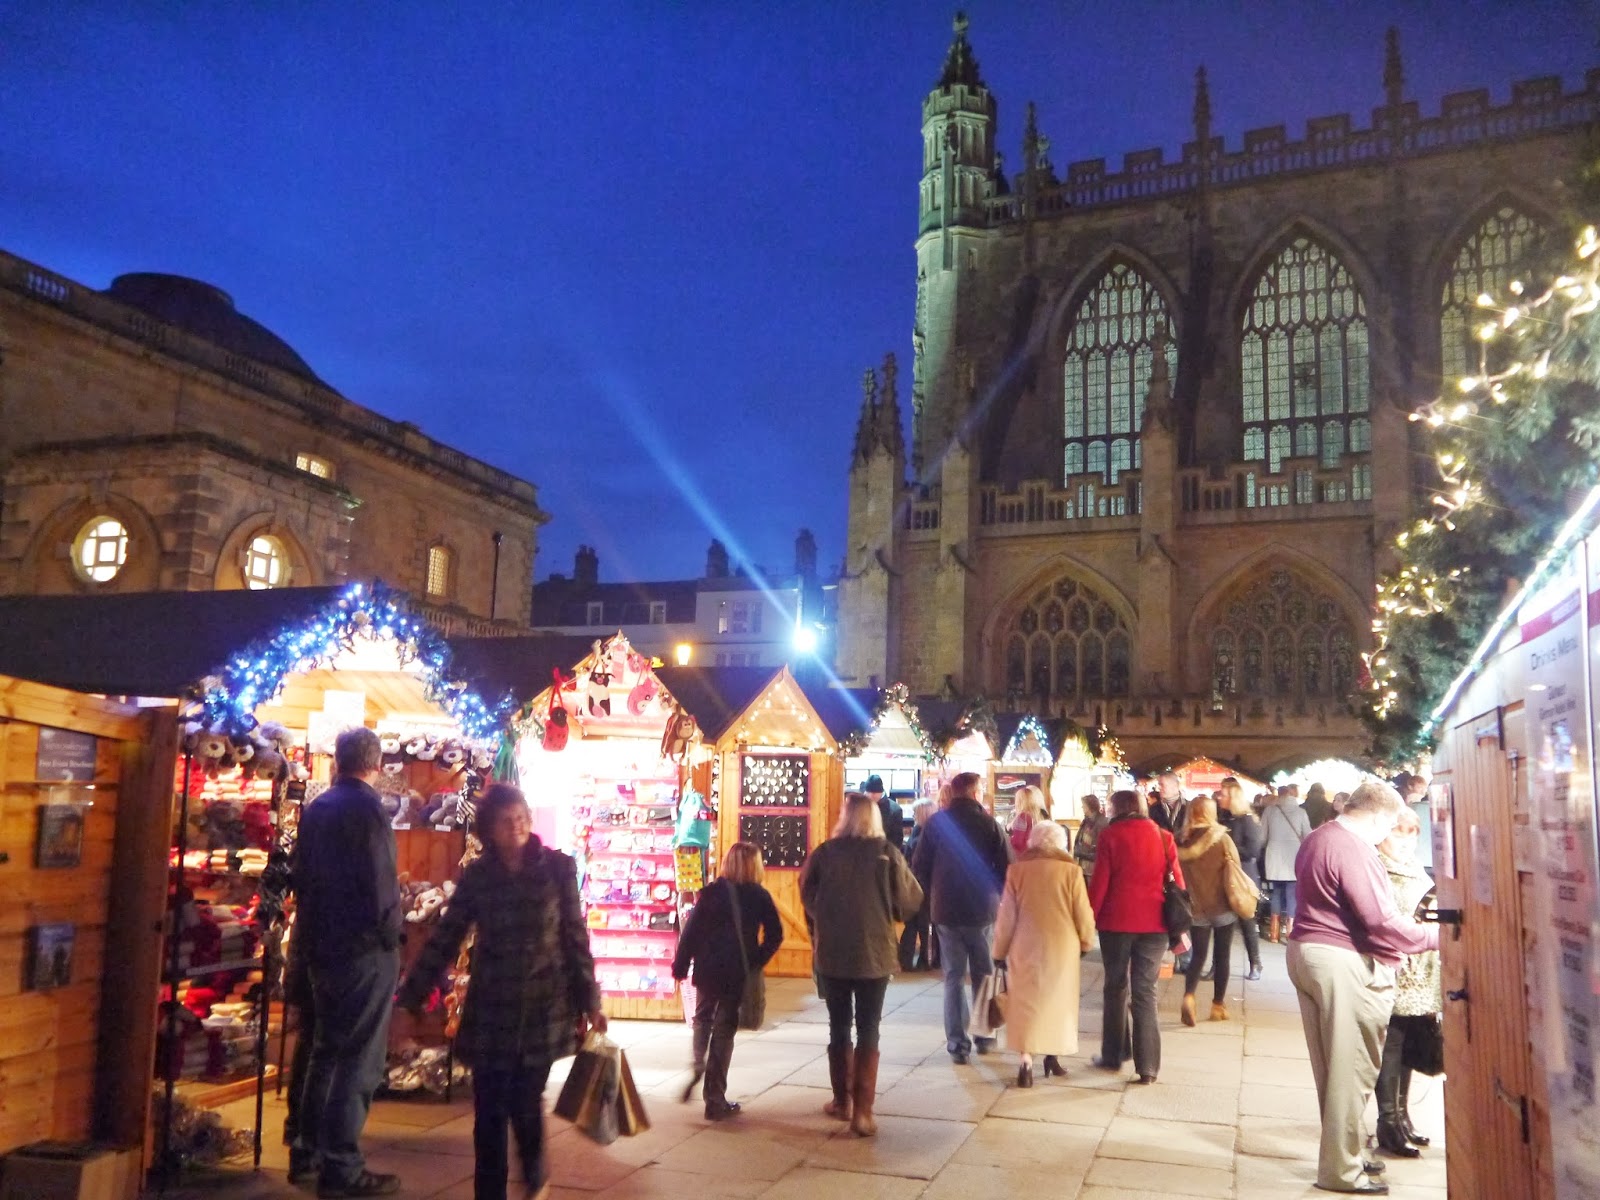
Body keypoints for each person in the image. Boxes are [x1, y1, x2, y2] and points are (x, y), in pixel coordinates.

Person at [397, 784, 605, 1200]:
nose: (516, 827)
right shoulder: (479, 877)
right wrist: (410, 998)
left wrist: (591, 1001)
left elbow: (574, 937)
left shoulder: (558, 869)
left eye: (521, 818)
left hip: (544, 1007)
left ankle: (535, 1177)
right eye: (506, 821)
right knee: (489, 1112)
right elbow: (446, 937)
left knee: (526, 1103)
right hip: (492, 1008)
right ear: (489, 829)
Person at [1289, 780, 1439, 1196]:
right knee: (1351, 1070)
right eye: (1390, 824)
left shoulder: (1320, 837)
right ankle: (1341, 1170)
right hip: (1341, 960)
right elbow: (1381, 921)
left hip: (1307, 952)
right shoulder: (1354, 848)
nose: (1388, 834)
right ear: (1376, 816)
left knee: (1332, 1069)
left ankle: (1348, 1154)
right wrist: (1437, 937)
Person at [290, 727, 404, 1198]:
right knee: (358, 1058)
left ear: (337, 761)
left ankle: (307, 1151)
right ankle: (342, 1165)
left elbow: (300, 876)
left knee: (325, 1050)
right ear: (376, 764)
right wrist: (390, 936)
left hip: (321, 946)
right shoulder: (369, 811)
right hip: (362, 950)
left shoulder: (318, 807)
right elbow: (380, 883)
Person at [800, 792, 923, 1137]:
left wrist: (824, 918)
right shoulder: (887, 853)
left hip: (833, 953)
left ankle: (842, 1102)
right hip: (875, 952)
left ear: (845, 817)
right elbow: (910, 899)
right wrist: (889, 913)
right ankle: (863, 1113)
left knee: (838, 1026)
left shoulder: (825, 853)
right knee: (869, 1027)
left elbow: (806, 892)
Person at [671, 842, 783, 1120]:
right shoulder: (758, 895)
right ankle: (715, 1097)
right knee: (724, 1029)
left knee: (702, 1017)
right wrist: (756, 960)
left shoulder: (711, 893)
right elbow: (776, 934)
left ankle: (698, 1060)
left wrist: (681, 964)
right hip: (737, 970)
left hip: (707, 967)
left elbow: (691, 932)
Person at [911, 770, 1010, 1065]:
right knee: (983, 974)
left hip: (946, 910)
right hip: (981, 910)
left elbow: (919, 865)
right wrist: (995, 893)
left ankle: (957, 1044)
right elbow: (1008, 866)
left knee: (953, 977)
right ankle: (984, 1036)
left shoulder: (936, 824)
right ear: (975, 792)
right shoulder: (989, 824)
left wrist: (934, 893)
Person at [1088, 789, 1181, 1085]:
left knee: (1115, 986)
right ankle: (1148, 1067)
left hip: (1116, 923)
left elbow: (1100, 883)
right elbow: (1178, 883)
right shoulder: (1164, 837)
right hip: (1155, 925)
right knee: (1145, 991)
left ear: (1117, 808)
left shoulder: (1110, 836)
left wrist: (1088, 918)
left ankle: (1114, 1054)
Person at [992, 820, 1095, 1087]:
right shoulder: (1071, 872)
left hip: (1024, 946)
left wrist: (999, 950)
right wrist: (1086, 942)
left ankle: (1026, 1061)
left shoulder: (1017, 871)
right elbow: (1083, 913)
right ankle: (1052, 1056)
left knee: (1026, 1003)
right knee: (1056, 1003)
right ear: (1061, 844)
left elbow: (1006, 916)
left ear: (1033, 842)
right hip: (1062, 948)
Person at [1374, 807, 1440, 1159]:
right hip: (1396, 967)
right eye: (1397, 833)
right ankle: (1388, 1122)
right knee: (1391, 1044)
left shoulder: (1414, 867)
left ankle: (1402, 1116)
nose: (1404, 842)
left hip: (1421, 972)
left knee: (1408, 1044)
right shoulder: (1377, 868)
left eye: (1411, 834)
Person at [1176, 798, 1243, 1025]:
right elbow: (1236, 867)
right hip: (1222, 906)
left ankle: (1189, 996)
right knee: (1222, 956)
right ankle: (1217, 1006)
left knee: (1198, 955)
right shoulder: (1222, 839)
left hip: (1195, 907)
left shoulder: (1181, 840)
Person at [1220, 779, 1265, 981]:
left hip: (1243, 877)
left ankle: (1255, 963)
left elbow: (1253, 851)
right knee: (1222, 924)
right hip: (1224, 875)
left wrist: (1229, 848)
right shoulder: (1225, 819)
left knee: (1247, 922)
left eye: (1223, 795)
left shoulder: (1247, 821)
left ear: (1233, 798)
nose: (1219, 798)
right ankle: (1219, 964)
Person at [1261, 785, 1311, 944]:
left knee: (1276, 892)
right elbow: (1308, 835)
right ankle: (1290, 933)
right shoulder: (1301, 812)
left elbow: (1262, 836)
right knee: (1291, 894)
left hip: (1274, 855)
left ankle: (1274, 934)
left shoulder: (1269, 811)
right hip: (1293, 856)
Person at [898, 799, 937, 971]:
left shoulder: (924, 833)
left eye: (915, 813)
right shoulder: (921, 831)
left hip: (922, 883)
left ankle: (918, 959)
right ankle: (914, 959)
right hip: (919, 882)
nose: (913, 816)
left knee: (919, 922)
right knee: (916, 921)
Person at [1007, 784, 1049, 858]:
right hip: (1038, 854)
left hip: (1023, 855)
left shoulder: (1023, 817)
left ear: (1020, 801)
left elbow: (1017, 842)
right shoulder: (1039, 816)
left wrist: (1007, 840)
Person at [863, 775, 903, 851]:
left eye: (874, 793)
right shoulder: (860, 807)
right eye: (868, 793)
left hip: (885, 852)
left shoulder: (895, 810)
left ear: (881, 792)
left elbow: (897, 839)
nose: (870, 795)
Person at [1073, 793, 1107, 876]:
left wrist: (1082, 854)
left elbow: (1101, 847)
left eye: (1084, 805)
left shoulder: (1101, 822)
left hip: (1093, 868)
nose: (1082, 807)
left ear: (1090, 806)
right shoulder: (1087, 821)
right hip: (1084, 865)